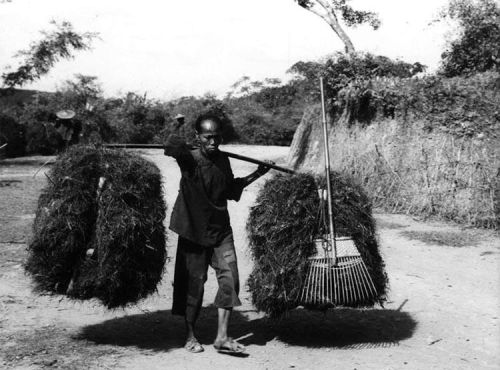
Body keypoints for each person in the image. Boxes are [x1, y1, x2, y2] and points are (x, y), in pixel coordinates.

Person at [164, 113, 271, 355]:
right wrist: (177, 124)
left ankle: (222, 337)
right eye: (207, 138)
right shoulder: (189, 159)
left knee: (230, 279)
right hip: (193, 231)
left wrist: (257, 174)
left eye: (217, 137)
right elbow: (171, 146)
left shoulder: (223, 160)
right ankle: (190, 335)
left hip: (220, 231)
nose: (213, 142)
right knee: (194, 285)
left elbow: (231, 189)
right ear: (197, 137)